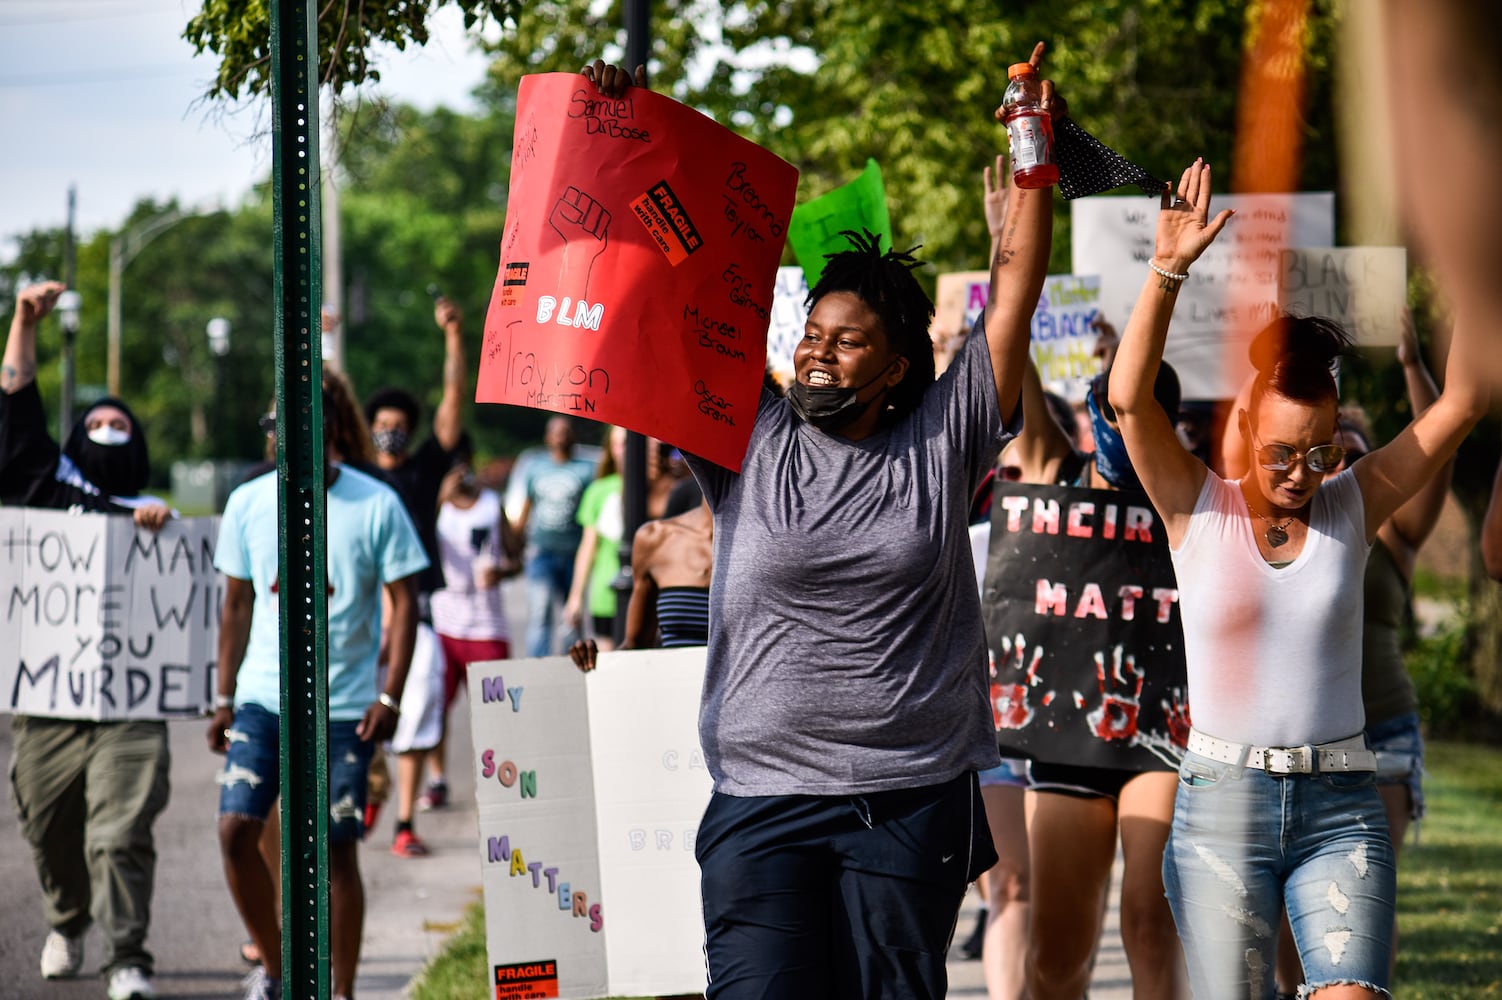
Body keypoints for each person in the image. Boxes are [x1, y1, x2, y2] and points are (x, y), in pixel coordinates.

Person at [584, 42, 1057, 996]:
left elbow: (1015, 291)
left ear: (896, 366)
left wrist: (1028, 131)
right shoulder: (747, 435)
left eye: (848, 343)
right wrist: (619, 137)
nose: (818, 355)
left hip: (907, 804)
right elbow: (679, 284)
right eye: (810, 335)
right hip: (761, 803)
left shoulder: (943, 438)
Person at [1107, 159, 1486, 999]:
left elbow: (1458, 408)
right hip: (1220, 808)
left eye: (1322, 452)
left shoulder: (1354, 502)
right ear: (1243, 427)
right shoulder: (1194, 505)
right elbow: (1129, 402)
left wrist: (1478, 266)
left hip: (1342, 807)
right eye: (1282, 452)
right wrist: (1168, 269)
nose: (1302, 472)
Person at [1218, 314, 1454, 996]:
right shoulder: (1269, 523)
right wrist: (1273, 364)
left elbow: (1435, 448)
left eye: (1342, 451)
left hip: (1382, 731)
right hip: (1301, 740)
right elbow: (1245, 443)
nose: (1328, 466)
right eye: (1318, 450)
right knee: (1298, 915)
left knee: (1357, 905)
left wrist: (1413, 364)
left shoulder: (1387, 523)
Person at [209, 389, 429, 1000]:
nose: (287, 433)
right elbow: (235, 603)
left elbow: (407, 600)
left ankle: (342, 992)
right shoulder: (248, 502)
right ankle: (280, 971)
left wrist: (389, 698)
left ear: (329, 427)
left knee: (336, 853)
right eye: (276, 423)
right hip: (262, 699)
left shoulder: (376, 502)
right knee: (234, 830)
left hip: (344, 707)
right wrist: (221, 698)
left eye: (302, 421)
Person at [2, 281, 173, 1000]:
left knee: (120, 833)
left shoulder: (157, 518)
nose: (106, 430)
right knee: (47, 823)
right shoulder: (48, 492)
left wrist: (159, 536)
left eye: (118, 424)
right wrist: (23, 322)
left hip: (129, 703)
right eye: (94, 422)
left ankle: (128, 955)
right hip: (50, 699)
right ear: (75, 440)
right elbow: (13, 411)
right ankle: (68, 920)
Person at [362, 295, 466, 852]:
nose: (390, 434)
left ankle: (403, 822)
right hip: (358, 614)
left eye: (399, 426)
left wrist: (453, 336)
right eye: (381, 425)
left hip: (416, 613)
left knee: (414, 707)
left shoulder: (425, 473)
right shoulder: (351, 476)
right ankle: (366, 794)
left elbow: (452, 404)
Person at [425, 440, 521, 796]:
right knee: (435, 708)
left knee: (495, 713)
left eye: (462, 463)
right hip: (444, 623)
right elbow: (418, 543)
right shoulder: (436, 508)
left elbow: (517, 558)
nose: (458, 471)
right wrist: (438, 498)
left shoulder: (492, 506)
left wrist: (503, 571)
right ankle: (437, 780)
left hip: (486, 626)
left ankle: (498, 782)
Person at [568, 495, 714, 671]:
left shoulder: (756, 542)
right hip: (677, 689)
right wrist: (596, 663)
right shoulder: (657, 538)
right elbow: (637, 646)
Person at [515, 415, 597, 657]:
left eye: (566, 431)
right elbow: (526, 508)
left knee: (571, 616)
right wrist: (514, 543)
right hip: (542, 552)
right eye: (556, 431)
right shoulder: (536, 467)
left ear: (574, 436)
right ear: (547, 437)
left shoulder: (586, 470)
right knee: (540, 613)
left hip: (573, 552)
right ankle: (538, 666)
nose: (561, 436)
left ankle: (569, 665)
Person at [564, 425, 628, 648]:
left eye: (629, 442)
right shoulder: (599, 491)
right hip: (605, 596)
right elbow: (588, 548)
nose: (625, 450)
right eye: (619, 444)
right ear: (611, 449)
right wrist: (575, 597)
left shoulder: (657, 490)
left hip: (646, 598)